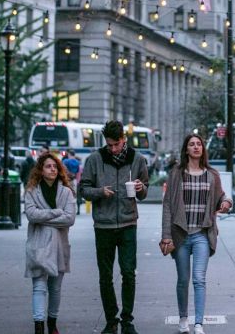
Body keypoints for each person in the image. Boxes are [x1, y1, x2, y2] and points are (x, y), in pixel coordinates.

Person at [80, 120, 150, 334]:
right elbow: (83, 188)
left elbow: (145, 191)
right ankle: (111, 320)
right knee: (105, 275)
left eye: (116, 144)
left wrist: (140, 188)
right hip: (104, 225)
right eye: (109, 145)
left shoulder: (137, 159)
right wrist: (100, 192)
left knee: (129, 273)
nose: (113, 149)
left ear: (124, 140)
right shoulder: (94, 159)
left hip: (128, 223)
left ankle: (127, 320)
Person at [160, 134, 232, 334]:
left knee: (199, 279)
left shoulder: (212, 174)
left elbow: (222, 197)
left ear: (203, 149)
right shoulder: (176, 174)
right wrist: (166, 235)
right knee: (183, 279)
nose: (196, 147)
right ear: (186, 150)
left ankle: (198, 323)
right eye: (192, 144)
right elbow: (167, 206)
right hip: (180, 234)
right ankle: (183, 319)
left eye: (199, 144)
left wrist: (226, 203)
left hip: (202, 233)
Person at [24, 153, 77, 334]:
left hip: (59, 246)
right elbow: (31, 215)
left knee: (55, 288)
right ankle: (39, 326)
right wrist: (55, 212)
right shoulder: (32, 191)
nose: (52, 169)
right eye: (48, 166)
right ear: (40, 169)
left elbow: (70, 218)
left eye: (55, 166)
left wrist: (43, 217)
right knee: (38, 286)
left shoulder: (66, 191)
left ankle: (52, 323)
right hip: (38, 245)